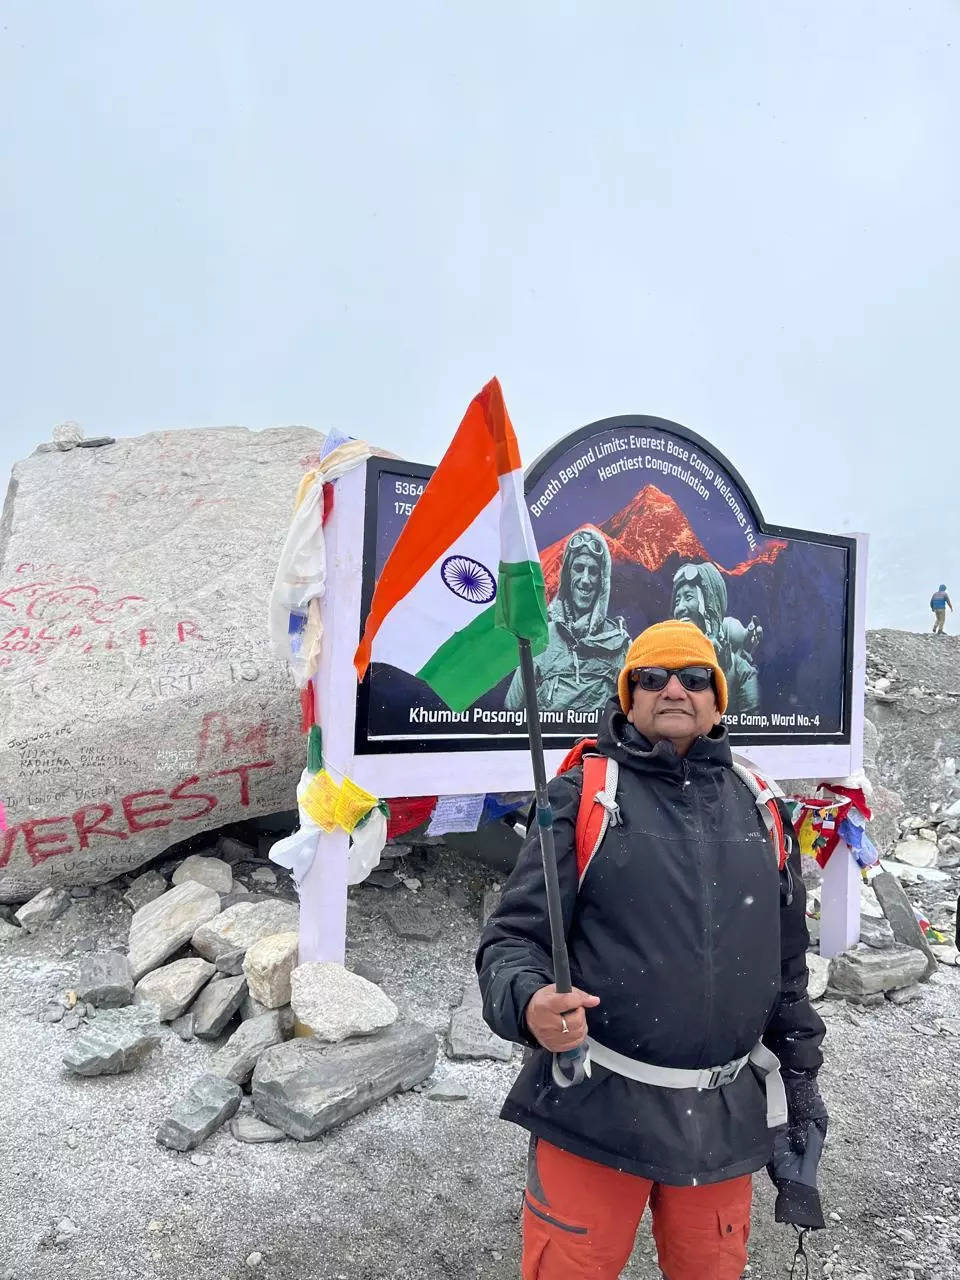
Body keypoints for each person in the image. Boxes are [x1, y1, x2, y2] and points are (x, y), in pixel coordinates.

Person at [478, 619, 827, 1280]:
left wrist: (801, 1079)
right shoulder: (582, 797)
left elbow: (786, 968)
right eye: (652, 676)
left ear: (717, 699)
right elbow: (510, 943)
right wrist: (529, 1005)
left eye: (694, 677)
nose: (674, 688)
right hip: (596, 1107)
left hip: (721, 1118)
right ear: (628, 696)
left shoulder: (762, 807)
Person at [505, 527, 629, 714]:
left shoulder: (621, 645)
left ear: (602, 580)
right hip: (549, 744)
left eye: (593, 571)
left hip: (599, 744)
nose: (585, 580)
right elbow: (511, 711)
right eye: (578, 568)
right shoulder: (541, 639)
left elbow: (635, 714)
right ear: (567, 574)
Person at [672, 561, 761, 717]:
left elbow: (750, 731)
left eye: (689, 597)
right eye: (677, 601)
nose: (680, 608)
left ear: (710, 604)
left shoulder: (741, 672)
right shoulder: (664, 666)